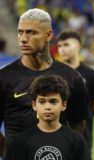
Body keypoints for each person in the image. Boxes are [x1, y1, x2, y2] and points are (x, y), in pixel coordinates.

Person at [0, 8, 88, 153]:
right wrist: (9, 152)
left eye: (31, 32)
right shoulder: (4, 78)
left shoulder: (72, 78)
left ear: (48, 35)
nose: (23, 38)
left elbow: (77, 126)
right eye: (20, 32)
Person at [5, 75, 91, 160]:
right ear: (34, 105)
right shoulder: (21, 141)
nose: (47, 107)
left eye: (53, 101)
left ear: (63, 105)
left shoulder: (76, 140)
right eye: (42, 102)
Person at [57, 29, 94, 152]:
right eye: (60, 46)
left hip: (83, 137)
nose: (62, 49)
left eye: (66, 44)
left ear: (78, 46)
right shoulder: (53, 73)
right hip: (56, 137)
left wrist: (80, 113)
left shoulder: (90, 74)